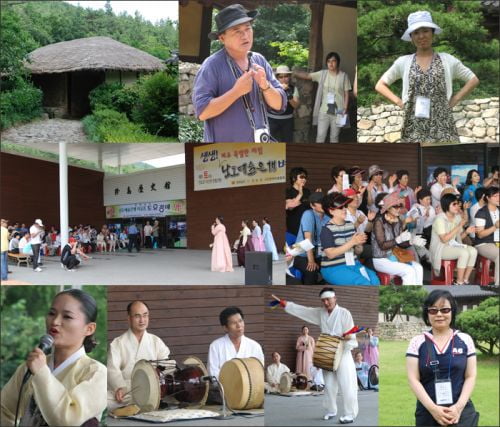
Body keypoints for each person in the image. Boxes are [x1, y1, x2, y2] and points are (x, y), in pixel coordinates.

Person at [0, 289, 106, 426]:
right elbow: (4, 409)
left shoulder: (96, 373)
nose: (55, 321)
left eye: (67, 317)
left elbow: (68, 419)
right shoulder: (30, 366)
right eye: (51, 313)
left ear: (89, 328)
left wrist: (41, 373)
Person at [375, 10, 479, 143]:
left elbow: (473, 79)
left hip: (443, 125)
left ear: (432, 33)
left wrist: (455, 99)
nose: (421, 36)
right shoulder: (403, 62)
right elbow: (380, 85)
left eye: (425, 31)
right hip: (413, 125)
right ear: (411, 37)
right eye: (416, 33)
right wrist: (400, 103)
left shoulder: (448, 60)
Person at [192, 4, 286, 142]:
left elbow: (279, 104)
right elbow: (202, 112)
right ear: (222, 38)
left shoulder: (259, 60)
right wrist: (236, 92)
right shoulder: (211, 66)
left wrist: (265, 86)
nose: (245, 35)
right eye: (237, 31)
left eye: (248, 29)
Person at [273, 288, 358, 424]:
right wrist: (285, 304)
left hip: (343, 353)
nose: (325, 302)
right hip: (326, 353)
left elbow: (351, 334)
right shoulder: (320, 313)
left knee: (346, 384)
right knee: (329, 385)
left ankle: (350, 414)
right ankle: (331, 410)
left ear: (335, 298)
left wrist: (347, 336)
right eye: (323, 300)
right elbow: (304, 310)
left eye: (328, 299)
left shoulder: (344, 313)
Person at [406, 290, 478, 426]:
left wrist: (458, 407)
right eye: (433, 310)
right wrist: (434, 409)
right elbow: (413, 379)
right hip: (428, 413)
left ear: (452, 312)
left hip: (461, 412)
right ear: (427, 314)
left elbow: (471, 376)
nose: (439, 314)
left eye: (445, 310)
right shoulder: (417, 341)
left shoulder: (465, 339)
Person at [107, 301, 171, 410]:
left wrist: (156, 380)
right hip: (127, 390)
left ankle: (144, 403)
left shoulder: (156, 341)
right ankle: (144, 404)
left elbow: (167, 364)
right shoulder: (118, 343)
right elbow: (112, 369)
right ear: (129, 318)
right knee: (104, 399)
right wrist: (119, 387)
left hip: (151, 389)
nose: (142, 320)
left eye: (145, 315)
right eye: (137, 316)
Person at [320, 192, 380, 286]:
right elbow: (330, 254)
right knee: (363, 283)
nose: (344, 209)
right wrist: (352, 242)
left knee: (374, 280)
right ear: (331, 211)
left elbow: (357, 251)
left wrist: (358, 245)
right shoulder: (326, 229)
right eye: (340, 207)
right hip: (333, 267)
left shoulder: (350, 225)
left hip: (353, 263)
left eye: (344, 206)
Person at [295, 52, 352, 143]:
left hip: (340, 111)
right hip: (324, 111)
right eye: (328, 61)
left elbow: (346, 93)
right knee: (320, 137)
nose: (331, 63)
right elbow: (307, 76)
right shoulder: (322, 74)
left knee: (335, 137)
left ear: (338, 62)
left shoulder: (344, 76)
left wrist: (345, 108)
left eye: (333, 61)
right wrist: (294, 73)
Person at [372, 192, 425, 285]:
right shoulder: (379, 221)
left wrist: (412, 241)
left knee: (418, 267)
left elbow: (401, 244)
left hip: (395, 256)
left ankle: (416, 297)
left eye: (399, 206)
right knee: (409, 271)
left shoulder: (398, 221)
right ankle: (407, 298)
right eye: (395, 207)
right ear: (388, 208)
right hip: (381, 259)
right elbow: (382, 245)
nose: (398, 209)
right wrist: (398, 239)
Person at [430, 193, 477, 285]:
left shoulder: (457, 217)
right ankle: (459, 282)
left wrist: (467, 232)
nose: (457, 206)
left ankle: (465, 280)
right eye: (454, 204)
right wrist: (459, 225)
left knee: (473, 251)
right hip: (440, 248)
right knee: (464, 253)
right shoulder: (440, 219)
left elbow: (459, 237)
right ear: (447, 205)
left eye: (457, 204)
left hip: (453, 246)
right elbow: (444, 240)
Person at [207, 306, 264, 379]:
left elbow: (259, 371)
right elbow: (213, 373)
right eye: (234, 323)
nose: (239, 325)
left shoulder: (255, 346)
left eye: (240, 321)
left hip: (250, 389)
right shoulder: (215, 346)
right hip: (225, 389)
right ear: (225, 328)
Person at [293, 192, 330, 285]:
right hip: (300, 251)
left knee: (331, 270)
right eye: (321, 202)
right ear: (312, 205)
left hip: (318, 252)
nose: (324, 204)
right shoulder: (308, 214)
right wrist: (311, 260)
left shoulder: (328, 217)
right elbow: (307, 239)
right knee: (311, 271)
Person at [474, 186, 499, 286]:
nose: (499, 198)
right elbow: (480, 235)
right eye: (495, 196)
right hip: (484, 244)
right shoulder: (481, 213)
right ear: (488, 198)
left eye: (499, 195)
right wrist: (495, 227)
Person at [268, 65, 300, 142]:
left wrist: (287, 93)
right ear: (277, 78)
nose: (283, 79)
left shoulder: (293, 89)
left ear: (289, 77)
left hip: (287, 121)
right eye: (281, 77)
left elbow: (295, 105)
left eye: (286, 76)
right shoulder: (271, 87)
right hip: (271, 119)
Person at [286, 167, 312, 245]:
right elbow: (290, 206)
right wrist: (300, 194)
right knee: (293, 253)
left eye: (305, 177)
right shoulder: (288, 192)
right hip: (293, 230)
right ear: (294, 178)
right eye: (301, 177)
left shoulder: (307, 191)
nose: (304, 179)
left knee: (303, 253)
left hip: (306, 229)